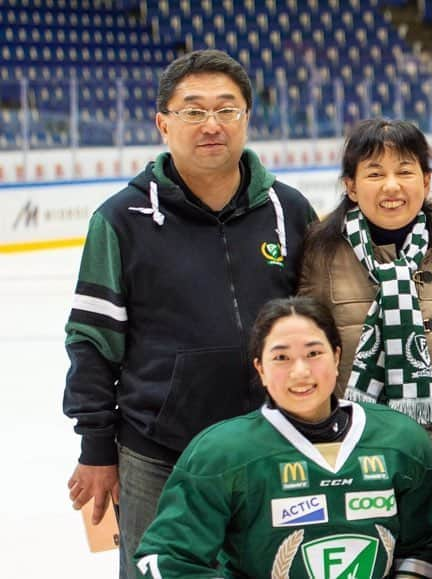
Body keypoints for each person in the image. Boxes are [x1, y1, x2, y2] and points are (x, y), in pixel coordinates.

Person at [63, 49, 316, 576]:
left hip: (274, 446)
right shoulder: (119, 220)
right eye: (193, 110)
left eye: (227, 109)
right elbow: (91, 341)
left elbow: (317, 326)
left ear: (248, 118)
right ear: (163, 123)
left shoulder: (289, 211)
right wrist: (95, 448)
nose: (211, 124)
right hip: (158, 454)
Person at [134, 297, 432, 578]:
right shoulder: (221, 454)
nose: (300, 372)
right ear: (261, 369)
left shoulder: (399, 441)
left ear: (337, 357)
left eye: (313, 353)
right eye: (281, 358)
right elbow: (166, 559)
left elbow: (422, 546)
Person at [298, 120, 432, 475]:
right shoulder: (320, 254)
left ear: (425, 181)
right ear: (351, 186)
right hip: (352, 455)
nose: (391, 186)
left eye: (405, 171)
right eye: (375, 174)